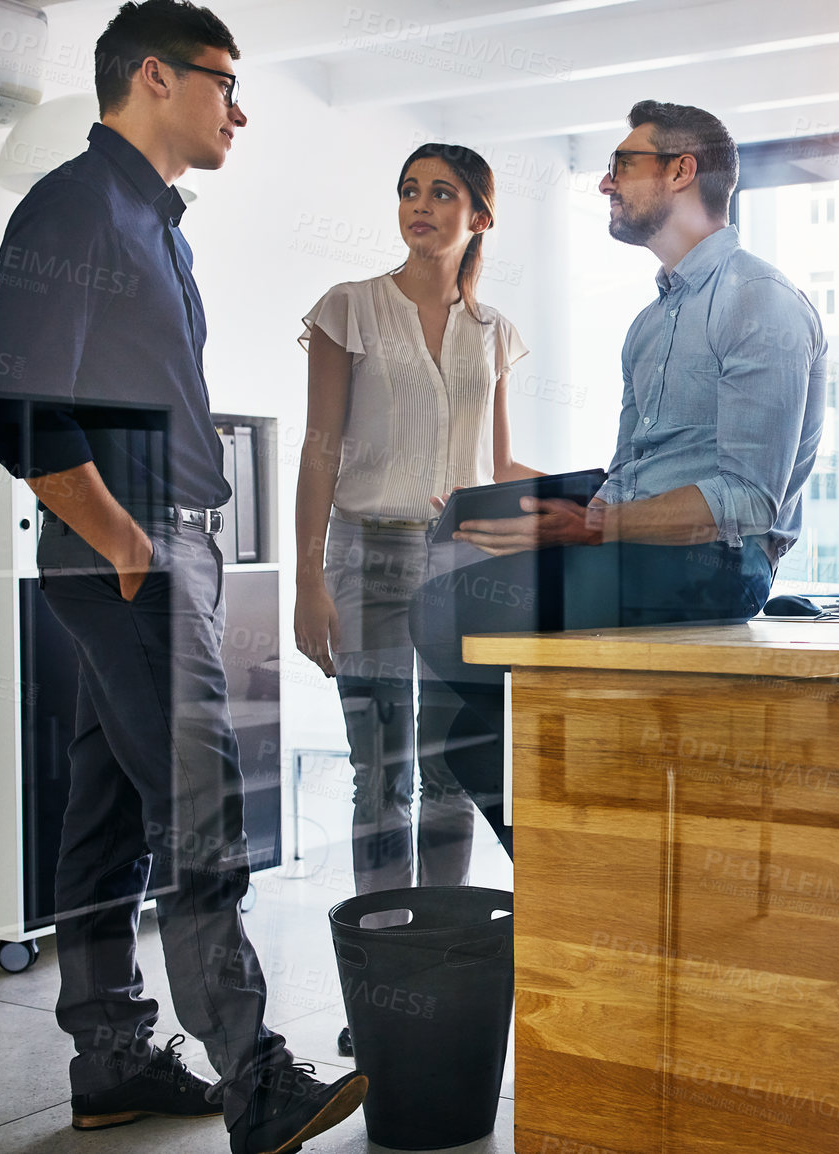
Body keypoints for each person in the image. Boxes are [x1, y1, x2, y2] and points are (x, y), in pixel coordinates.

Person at [0, 3, 366, 1150]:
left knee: (106, 819)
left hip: (154, 548)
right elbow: (22, 411)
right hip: (133, 551)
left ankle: (112, 1056)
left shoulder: (156, 225)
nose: (238, 110)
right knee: (203, 817)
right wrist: (129, 543)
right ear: (155, 76)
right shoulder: (76, 206)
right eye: (225, 84)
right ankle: (256, 1078)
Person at [408, 99, 828, 841]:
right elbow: (627, 471)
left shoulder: (757, 301)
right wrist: (522, 508)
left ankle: (577, 857)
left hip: (718, 563)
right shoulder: (650, 322)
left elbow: (749, 499)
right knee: (449, 723)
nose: (605, 183)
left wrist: (596, 526)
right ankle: (570, 870)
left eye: (621, 165)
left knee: (445, 612)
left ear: (680, 171)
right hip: (635, 546)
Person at [294, 141, 534, 1056]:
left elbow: (500, 464)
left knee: (449, 778)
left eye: (443, 193)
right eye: (408, 191)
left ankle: (438, 971)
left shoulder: (494, 331)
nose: (420, 206)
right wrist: (309, 576)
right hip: (368, 559)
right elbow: (322, 447)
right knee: (380, 774)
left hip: (463, 568)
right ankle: (382, 991)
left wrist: (598, 500)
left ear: (479, 215)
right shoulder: (348, 310)